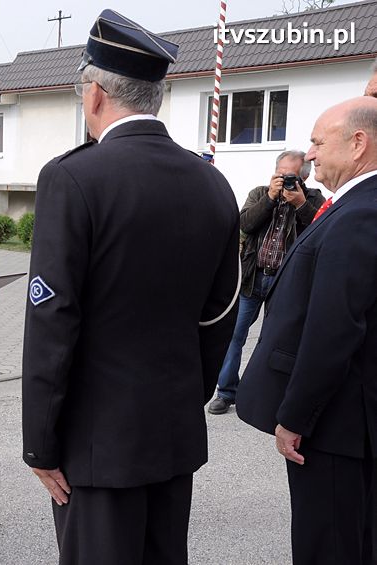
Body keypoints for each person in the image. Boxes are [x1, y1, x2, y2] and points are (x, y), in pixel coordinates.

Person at [21, 10, 240, 564]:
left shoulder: (73, 177)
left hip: (98, 443)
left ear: (94, 94)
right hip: (172, 433)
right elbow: (220, 314)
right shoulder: (213, 182)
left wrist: (40, 443)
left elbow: (53, 321)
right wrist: (184, 397)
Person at [237, 96, 377, 565]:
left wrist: (295, 417)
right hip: (348, 420)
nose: (310, 153)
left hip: (337, 426)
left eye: (318, 142)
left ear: (358, 144)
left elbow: (333, 331)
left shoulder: (360, 214)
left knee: (330, 545)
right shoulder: (354, 205)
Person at [207, 151, 325, 415]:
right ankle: (226, 392)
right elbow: (244, 224)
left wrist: (300, 205)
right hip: (253, 277)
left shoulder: (313, 199)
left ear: (303, 177)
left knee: (276, 340)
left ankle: (268, 395)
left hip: (285, 282)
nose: (283, 180)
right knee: (234, 335)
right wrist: (270, 199)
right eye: (279, 173)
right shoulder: (260, 193)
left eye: (290, 175)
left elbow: (320, 232)